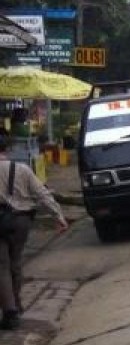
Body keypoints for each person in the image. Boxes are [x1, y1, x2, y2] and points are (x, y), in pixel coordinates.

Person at [0, 137, 69, 331]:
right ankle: (16, 304)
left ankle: (10, 311)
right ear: (8, 149)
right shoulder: (22, 169)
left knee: (2, 265)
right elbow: (42, 194)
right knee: (15, 263)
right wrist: (59, 215)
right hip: (21, 221)